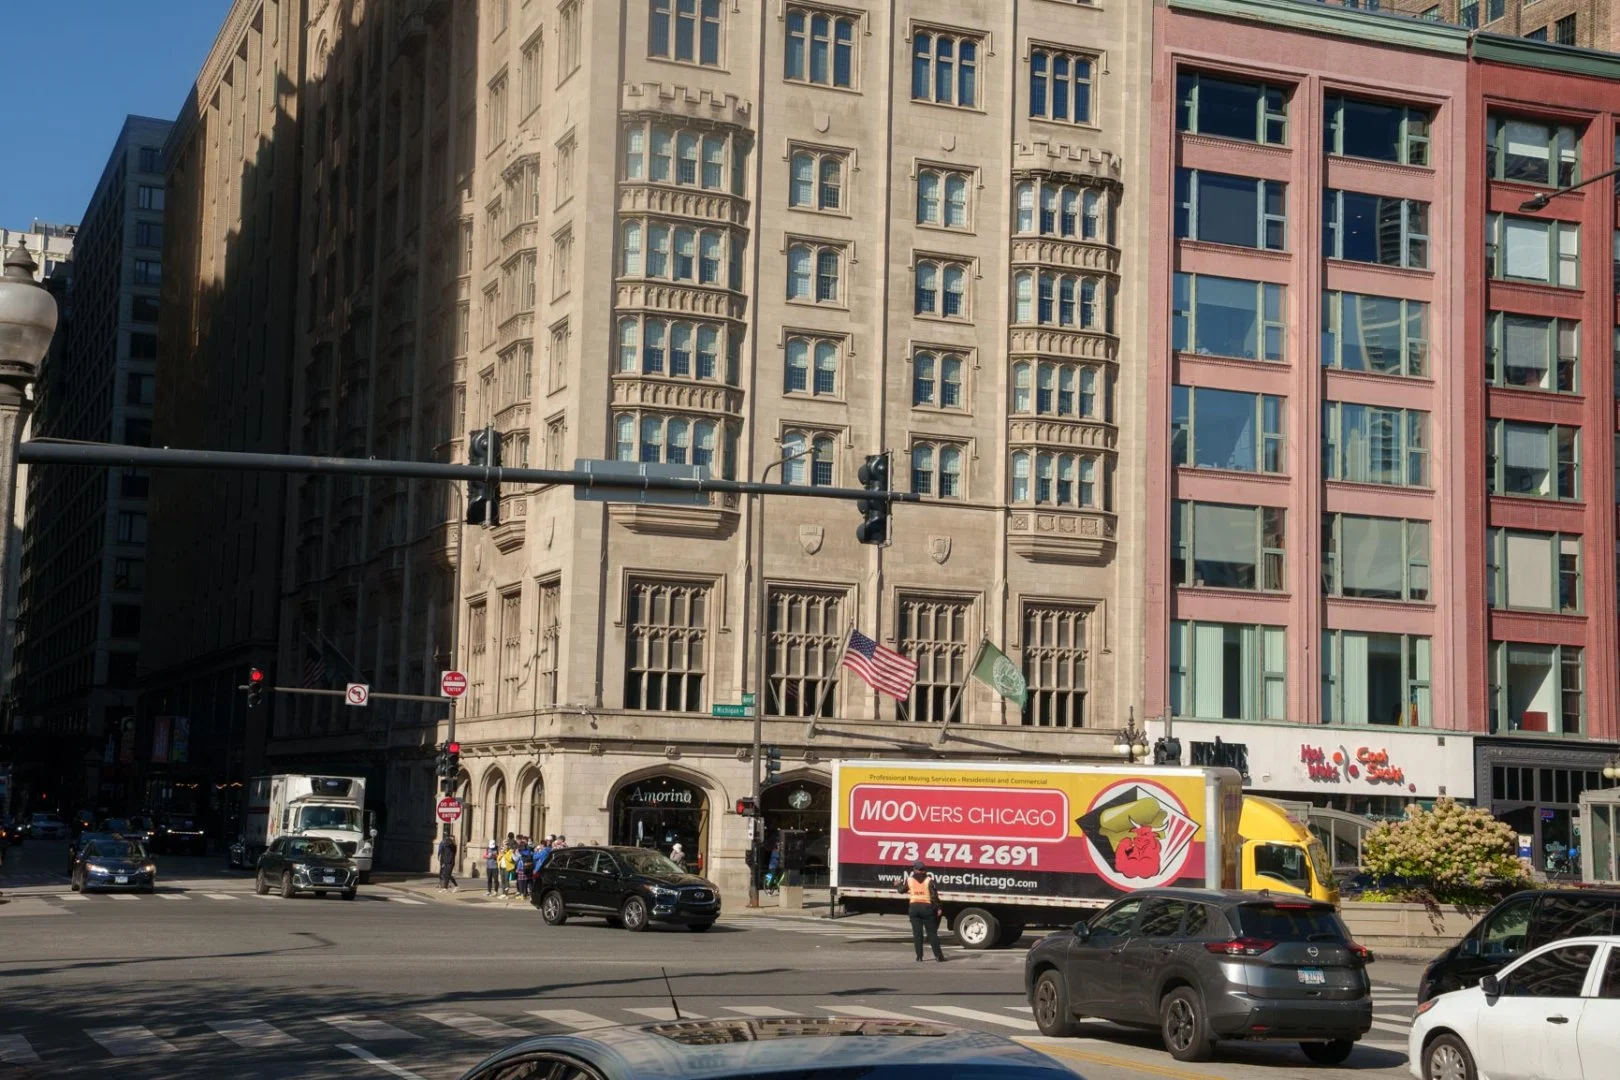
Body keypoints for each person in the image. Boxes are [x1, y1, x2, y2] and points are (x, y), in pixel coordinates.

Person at [897, 859, 946, 962]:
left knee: (917, 934)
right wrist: (939, 907)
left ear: (915, 869)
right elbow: (934, 896)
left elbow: (901, 890)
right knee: (932, 933)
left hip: (914, 908)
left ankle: (919, 957)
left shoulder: (910, 880)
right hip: (927, 909)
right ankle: (938, 956)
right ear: (924, 870)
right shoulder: (929, 880)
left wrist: (897, 884)